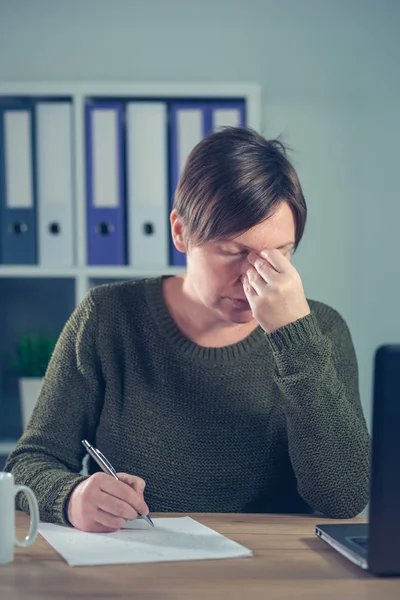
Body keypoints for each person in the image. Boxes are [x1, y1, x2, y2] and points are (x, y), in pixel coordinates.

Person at [5, 127, 370, 533]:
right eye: (234, 252)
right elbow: (29, 461)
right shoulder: (108, 317)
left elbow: (344, 498)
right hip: (138, 567)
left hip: (273, 571)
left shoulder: (320, 331)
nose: (256, 278)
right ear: (181, 232)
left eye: (279, 254)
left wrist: (293, 338)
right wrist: (71, 497)